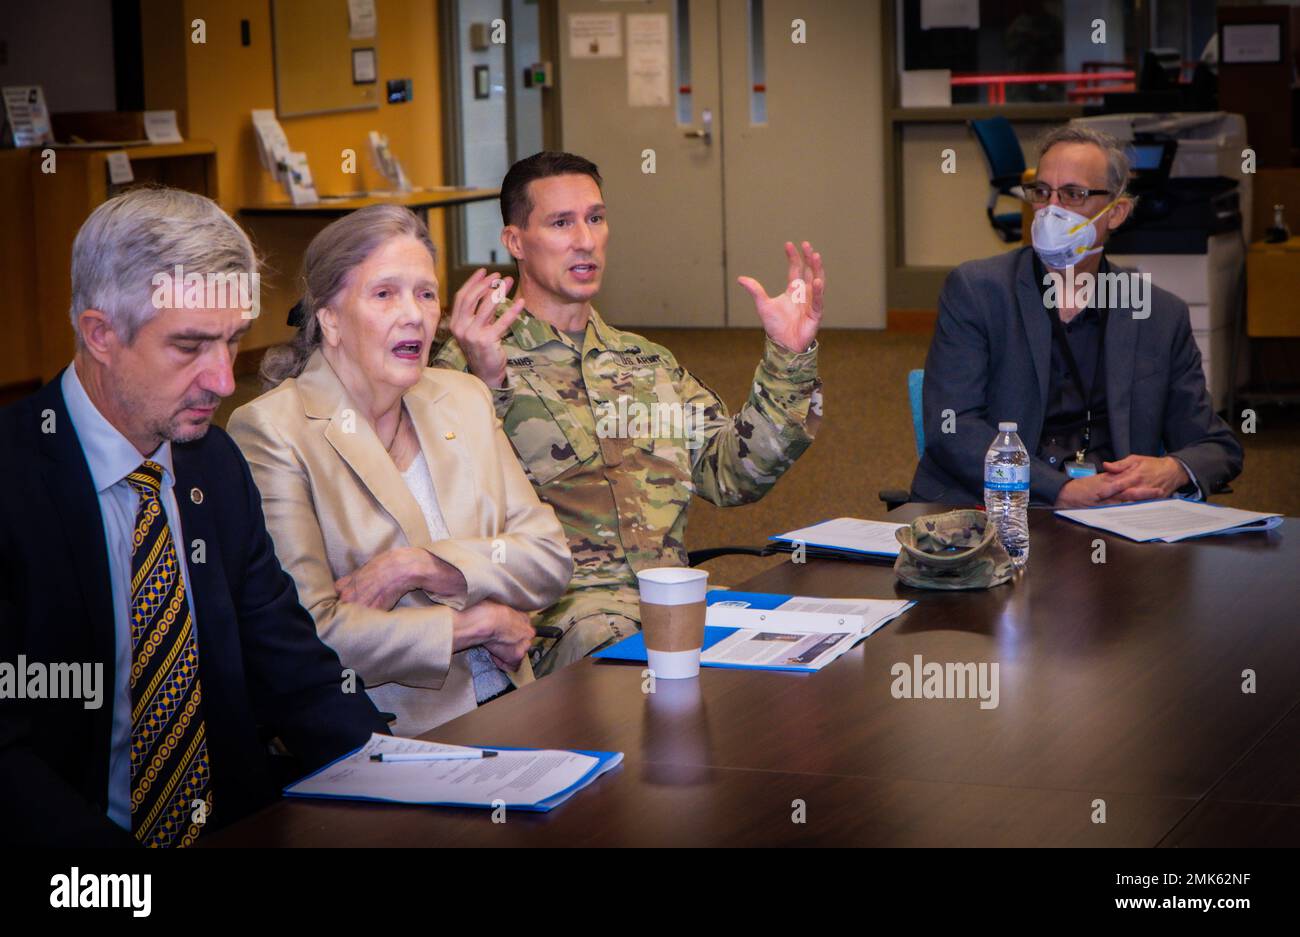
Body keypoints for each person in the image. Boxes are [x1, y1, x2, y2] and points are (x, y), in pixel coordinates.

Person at [0, 187, 389, 847]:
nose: (222, 379)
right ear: (100, 335)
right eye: (189, 346)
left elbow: (294, 671)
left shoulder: (213, 463)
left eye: (232, 340)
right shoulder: (13, 481)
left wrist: (407, 779)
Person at [433, 151, 825, 675]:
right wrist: (486, 386)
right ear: (515, 242)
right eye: (561, 222)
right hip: (560, 621)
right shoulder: (473, 356)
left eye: (595, 218)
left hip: (670, 601)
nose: (585, 239)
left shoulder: (645, 360)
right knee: (643, 676)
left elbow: (734, 474)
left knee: (812, 645)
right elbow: (443, 498)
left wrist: (787, 357)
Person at [228, 206, 572, 736]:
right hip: (394, 731)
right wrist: (472, 624)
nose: (414, 314)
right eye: (385, 294)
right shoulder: (273, 430)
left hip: (514, 699)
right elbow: (312, 632)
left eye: (426, 294)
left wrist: (421, 567)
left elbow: (549, 557)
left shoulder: (462, 396)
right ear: (330, 318)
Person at [910, 125, 1242, 507]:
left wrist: (1175, 469)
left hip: (1115, 515)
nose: (1052, 210)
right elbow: (953, 429)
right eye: (1042, 193)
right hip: (1000, 508)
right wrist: (1060, 489)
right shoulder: (977, 290)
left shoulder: (1160, 315)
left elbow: (1216, 445)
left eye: (1073, 195)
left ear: (1115, 213)